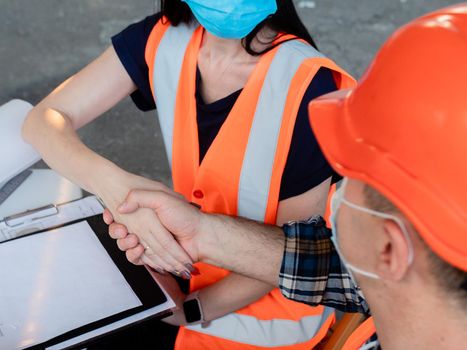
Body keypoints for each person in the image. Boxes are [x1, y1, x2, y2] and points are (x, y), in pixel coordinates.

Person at [107, 4, 467, 349]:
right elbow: (324, 266)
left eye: (350, 171)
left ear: (389, 249)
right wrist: (202, 233)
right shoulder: (406, 285)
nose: (335, 186)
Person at [22, 0, 355, 348]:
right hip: (182, 269)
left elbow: (294, 252)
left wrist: (192, 309)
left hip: (263, 319)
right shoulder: (166, 39)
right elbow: (43, 120)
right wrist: (116, 186)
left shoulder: (310, 87)